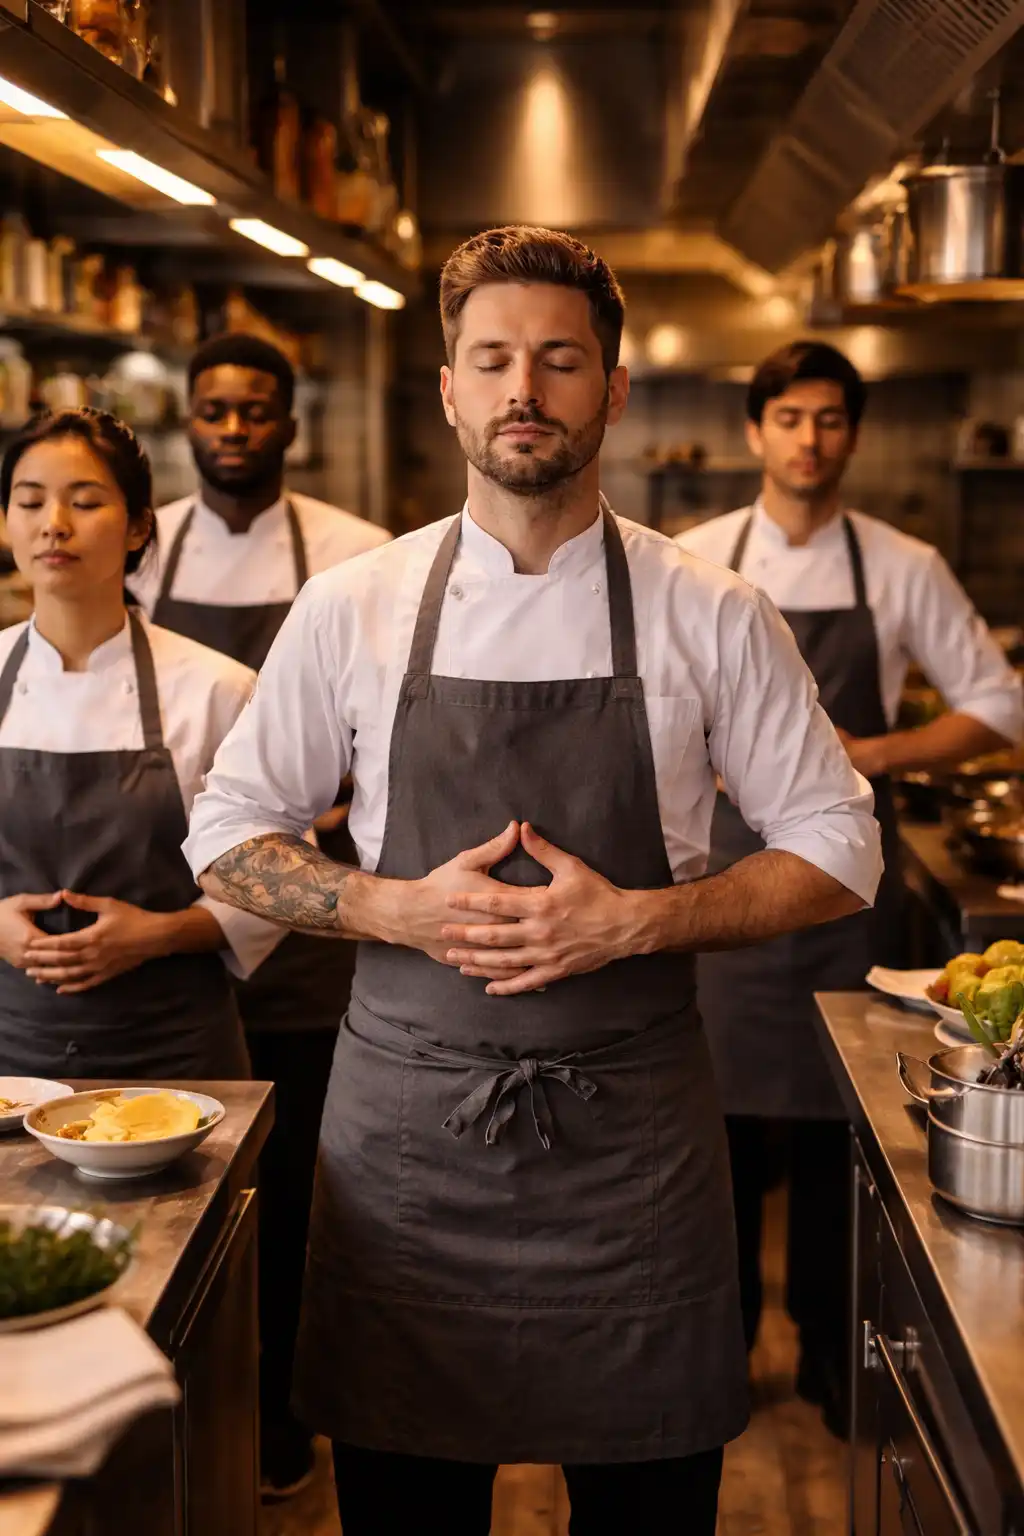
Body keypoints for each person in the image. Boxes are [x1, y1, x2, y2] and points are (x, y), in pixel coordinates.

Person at [183, 227, 883, 1536]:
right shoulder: (356, 605)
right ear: (448, 387)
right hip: (406, 1155)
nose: (525, 390)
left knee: (648, 1508)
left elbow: (841, 848)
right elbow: (225, 830)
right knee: (405, 1507)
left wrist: (639, 921)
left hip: (634, 1157)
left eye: (560, 361)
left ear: (611, 389)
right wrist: (395, 906)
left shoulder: (710, 611)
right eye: (493, 359)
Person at [676, 340, 1024, 1434]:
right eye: (788, 417)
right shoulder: (690, 563)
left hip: (835, 901)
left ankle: (836, 1363)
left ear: (852, 436)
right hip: (718, 896)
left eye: (830, 419)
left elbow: (1000, 708)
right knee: (712, 1142)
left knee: (841, 1139)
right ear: (754, 431)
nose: (809, 440)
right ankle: (711, 1363)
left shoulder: (901, 563)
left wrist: (868, 756)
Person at [130, 331, 391, 1499]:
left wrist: (338, 794)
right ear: (189, 423)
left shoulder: (353, 559)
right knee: (171, 1190)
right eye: (214, 411)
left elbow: (373, 731)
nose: (233, 429)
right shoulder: (140, 553)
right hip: (159, 921)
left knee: (293, 1191)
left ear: (292, 421)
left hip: (309, 928)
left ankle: (284, 1419)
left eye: (256, 411)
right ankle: (166, 1432)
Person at [0, 408, 276, 1080]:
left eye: (85, 500)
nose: (53, 523)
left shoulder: (217, 689)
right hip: (8, 1061)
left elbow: (278, 882)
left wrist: (158, 934)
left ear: (138, 526)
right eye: (29, 501)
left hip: (176, 1057)